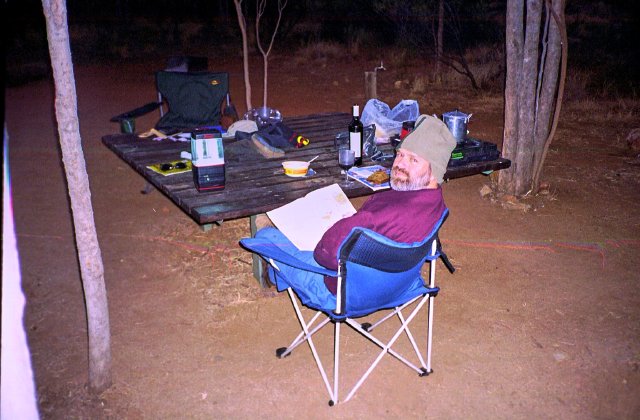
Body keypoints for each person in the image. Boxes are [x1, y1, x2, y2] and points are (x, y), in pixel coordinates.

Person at [256, 114, 456, 295]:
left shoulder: (379, 216)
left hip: (345, 290)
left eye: (413, 160)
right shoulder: (436, 205)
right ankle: (281, 275)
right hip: (400, 284)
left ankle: (276, 276)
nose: (399, 164)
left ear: (434, 172)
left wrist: (338, 230)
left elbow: (324, 256)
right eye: (400, 154)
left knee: (266, 236)